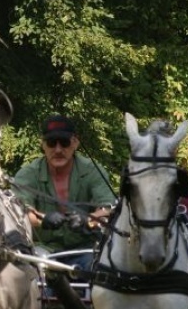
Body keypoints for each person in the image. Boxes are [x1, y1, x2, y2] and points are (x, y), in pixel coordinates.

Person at [13, 114, 116, 269]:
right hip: (43, 251)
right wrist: (44, 220)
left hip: (87, 250)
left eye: (64, 142)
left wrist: (87, 220)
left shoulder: (93, 171)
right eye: (52, 142)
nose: (58, 149)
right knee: (33, 273)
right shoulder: (27, 174)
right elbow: (19, 213)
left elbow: (109, 209)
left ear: (75, 143)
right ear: (43, 144)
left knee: (103, 271)